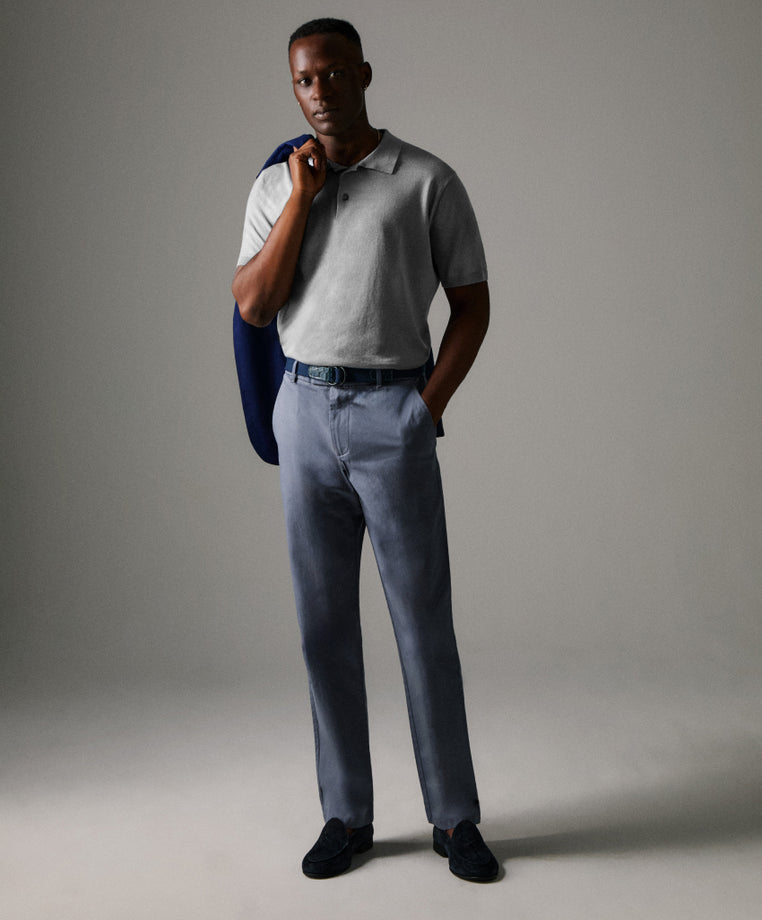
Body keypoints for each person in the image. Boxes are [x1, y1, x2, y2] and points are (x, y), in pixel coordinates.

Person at [232, 18, 498, 883]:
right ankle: (346, 815)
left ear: (365, 74)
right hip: (304, 410)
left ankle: (454, 817)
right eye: (305, 80)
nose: (320, 92)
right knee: (323, 629)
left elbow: (473, 304)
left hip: (394, 411)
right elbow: (253, 305)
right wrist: (300, 199)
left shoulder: (425, 179)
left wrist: (427, 408)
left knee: (423, 624)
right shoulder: (277, 184)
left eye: (335, 74)